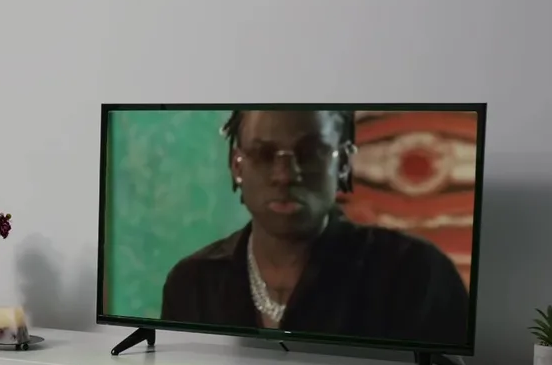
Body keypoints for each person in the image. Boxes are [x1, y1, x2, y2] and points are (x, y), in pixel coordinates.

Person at [160, 110, 469, 347]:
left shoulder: (414, 275)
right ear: (237, 165)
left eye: (310, 152)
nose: (285, 175)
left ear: (343, 164)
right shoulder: (193, 283)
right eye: (264, 154)